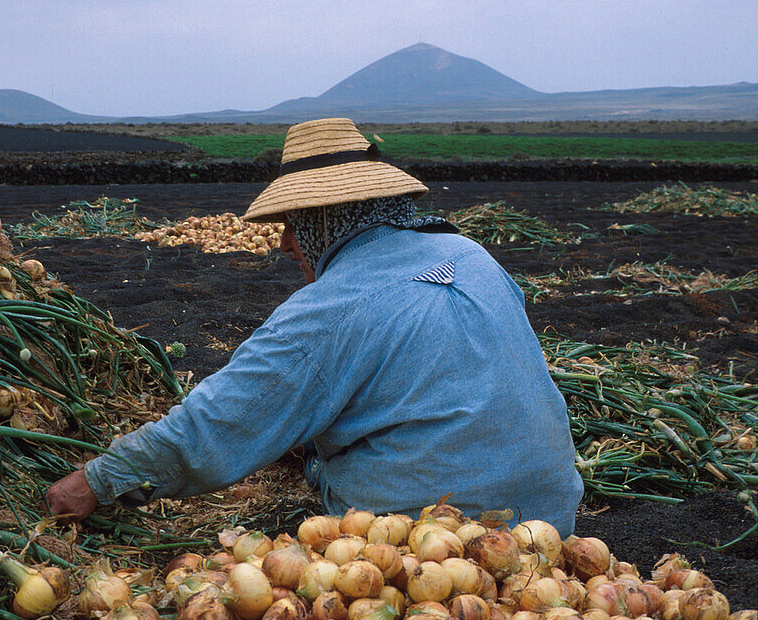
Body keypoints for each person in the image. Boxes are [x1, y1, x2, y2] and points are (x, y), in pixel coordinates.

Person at [45, 118, 583, 536]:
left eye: (292, 226)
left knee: (310, 461)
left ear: (325, 219)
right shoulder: (469, 253)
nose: (283, 244)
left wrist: (98, 480)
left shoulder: (329, 309)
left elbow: (217, 424)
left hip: (437, 540)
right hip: (549, 522)